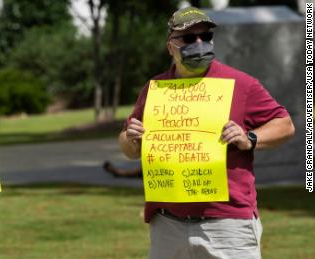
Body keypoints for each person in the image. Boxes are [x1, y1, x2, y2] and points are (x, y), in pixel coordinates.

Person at [119, 7, 295, 259]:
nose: (199, 43)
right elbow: (128, 147)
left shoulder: (241, 84)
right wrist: (130, 138)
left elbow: (285, 125)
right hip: (168, 225)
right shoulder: (155, 89)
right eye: (189, 39)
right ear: (170, 46)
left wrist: (250, 139)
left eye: (206, 37)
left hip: (227, 224)